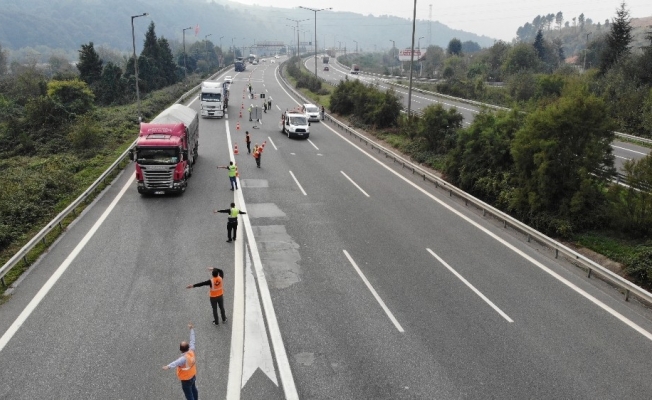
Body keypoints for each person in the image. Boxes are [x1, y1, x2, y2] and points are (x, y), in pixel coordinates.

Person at [162, 323, 198, 400]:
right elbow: (192, 340)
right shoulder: (191, 350)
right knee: (194, 389)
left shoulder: (183, 359)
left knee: (189, 395)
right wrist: (191, 329)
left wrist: (167, 366)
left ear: (181, 350)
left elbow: (175, 363)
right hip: (193, 375)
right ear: (188, 347)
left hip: (186, 379)